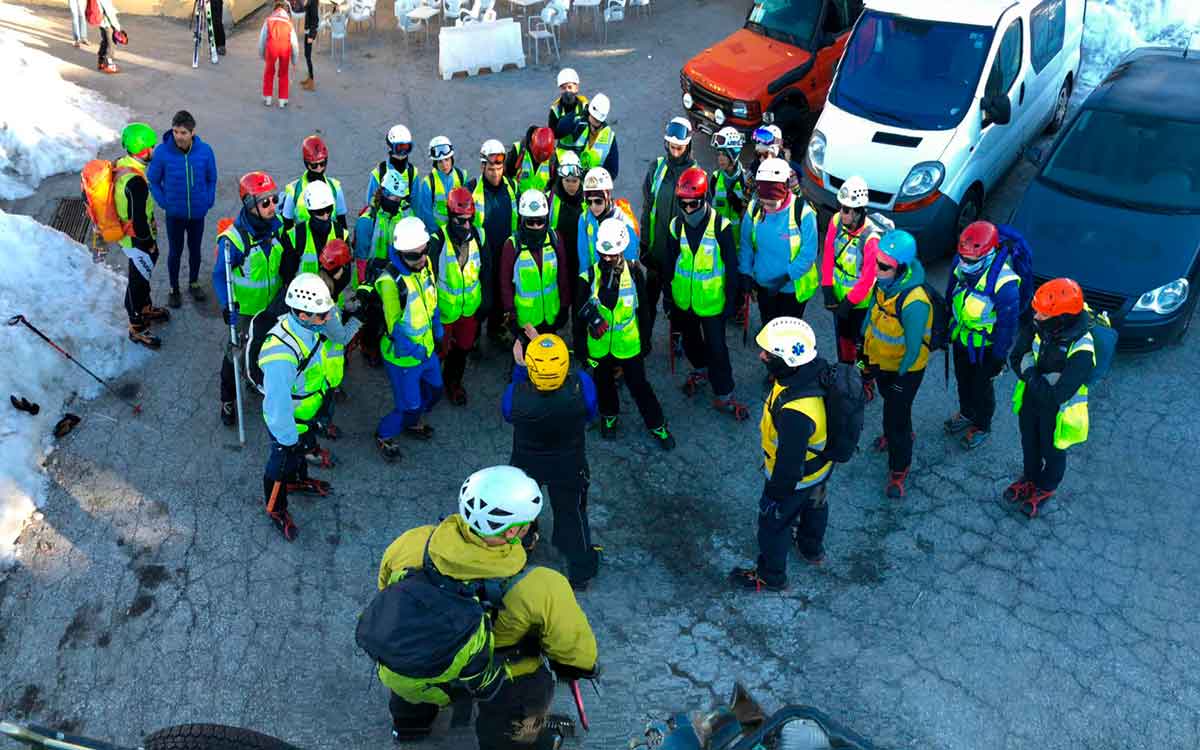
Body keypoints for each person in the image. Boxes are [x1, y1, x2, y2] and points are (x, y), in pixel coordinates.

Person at [374, 465, 596, 747]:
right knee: (529, 694)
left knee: (411, 680)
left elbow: (385, 588)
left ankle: (409, 726)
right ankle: (516, 743)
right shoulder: (541, 583)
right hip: (497, 672)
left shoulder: (413, 541)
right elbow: (572, 647)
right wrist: (583, 668)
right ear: (514, 530)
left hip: (419, 657)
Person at [729, 317, 832, 591]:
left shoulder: (796, 413)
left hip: (796, 478)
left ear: (786, 359)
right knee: (815, 506)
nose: (761, 355)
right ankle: (811, 549)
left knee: (773, 525)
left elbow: (789, 465)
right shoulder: (812, 371)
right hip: (819, 469)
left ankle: (771, 576)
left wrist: (774, 497)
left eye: (768, 353)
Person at [258, 273, 359, 540]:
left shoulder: (308, 327)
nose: (328, 319)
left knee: (301, 451)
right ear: (303, 315)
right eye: (323, 315)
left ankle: (297, 480)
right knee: (281, 463)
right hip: (289, 424)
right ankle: (276, 508)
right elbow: (277, 405)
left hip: (306, 415)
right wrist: (287, 437)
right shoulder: (281, 355)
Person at [502, 334, 601, 590]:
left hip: (527, 463)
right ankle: (580, 571)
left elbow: (509, 413)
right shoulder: (583, 386)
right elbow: (590, 413)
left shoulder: (516, 395)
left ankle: (518, 553)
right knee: (572, 514)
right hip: (569, 464)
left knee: (520, 510)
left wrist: (521, 369)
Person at [580, 218, 675, 450]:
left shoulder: (634, 273)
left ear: (622, 249)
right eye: (603, 253)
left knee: (639, 386)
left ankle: (657, 425)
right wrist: (582, 349)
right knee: (604, 384)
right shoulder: (589, 277)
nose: (607, 258)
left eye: (612, 254)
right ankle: (609, 416)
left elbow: (644, 310)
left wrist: (645, 340)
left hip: (629, 345)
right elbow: (579, 316)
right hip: (600, 347)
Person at [1007, 278, 1095, 518]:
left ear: (1062, 318)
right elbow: (1016, 358)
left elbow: (1057, 395)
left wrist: (1030, 373)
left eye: (1043, 314)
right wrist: (1038, 379)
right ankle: (1030, 478)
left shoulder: (1082, 350)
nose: (1036, 316)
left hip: (1058, 412)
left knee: (1052, 451)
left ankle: (1046, 487)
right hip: (1031, 401)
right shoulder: (1041, 324)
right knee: (1029, 443)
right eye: (1037, 310)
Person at [663, 167, 745, 418]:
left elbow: (732, 267)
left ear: (704, 199)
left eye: (693, 204)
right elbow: (669, 263)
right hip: (683, 301)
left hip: (712, 303)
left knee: (718, 349)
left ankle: (724, 393)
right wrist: (668, 296)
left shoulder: (721, 226)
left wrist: (733, 301)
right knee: (690, 342)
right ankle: (700, 368)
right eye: (683, 204)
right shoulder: (676, 226)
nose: (688, 209)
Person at [861, 230, 931, 500]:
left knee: (896, 415)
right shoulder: (884, 284)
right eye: (876, 261)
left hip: (905, 371)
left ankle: (899, 468)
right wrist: (862, 346)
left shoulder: (915, 303)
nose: (876, 269)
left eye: (883, 265)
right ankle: (894, 434)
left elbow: (913, 349)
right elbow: (871, 312)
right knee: (891, 405)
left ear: (901, 269)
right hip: (882, 362)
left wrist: (902, 378)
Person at [214, 171, 288, 426]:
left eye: (274, 199)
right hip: (245, 310)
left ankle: (255, 378)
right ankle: (228, 399)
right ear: (249, 204)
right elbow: (218, 276)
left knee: (266, 348)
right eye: (265, 202)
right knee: (234, 353)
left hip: (271, 307)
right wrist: (226, 306)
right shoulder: (234, 240)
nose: (272, 206)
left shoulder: (277, 227)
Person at [945, 221, 1021, 450]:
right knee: (963, 380)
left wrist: (998, 358)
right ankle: (967, 412)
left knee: (982, 388)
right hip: (962, 339)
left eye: (970, 261)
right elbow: (951, 298)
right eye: (963, 258)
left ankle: (982, 424)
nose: (964, 264)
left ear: (988, 254)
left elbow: (1008, 326)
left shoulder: (1005, 284)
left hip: (985, 349)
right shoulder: (961, 263)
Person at [375, 216, 443, 461]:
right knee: (407, 405)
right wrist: (414, 351)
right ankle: (385, 433)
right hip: (404, 357)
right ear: (400, 252)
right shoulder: (389, 283)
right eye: (415, 256)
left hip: (426, 349)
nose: (422, 258)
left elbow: (431, 299)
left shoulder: (424, 265)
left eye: (424, 252)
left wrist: (437, 326)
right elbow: (395, 327)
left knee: (435, 390)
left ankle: (412, 421)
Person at [737, 158, 820, 332]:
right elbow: (745, 243)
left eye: (772, 203)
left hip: (792, 290)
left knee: (788, 334)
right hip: (765, 286)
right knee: (769, 326)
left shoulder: (804, 213)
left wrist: (785, 278)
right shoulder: (754, 208)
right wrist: (745, 274)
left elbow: (809, 253)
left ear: (785, 189)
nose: (768, 208)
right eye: (764, 203)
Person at [819, 175, 884, 397]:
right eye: (842, 208)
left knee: (863, 346)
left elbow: (867, 278)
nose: (842, 213)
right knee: (843, 340)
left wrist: (849, 302)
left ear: (859, 212)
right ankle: (846, 373)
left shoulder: (871, 238)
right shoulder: (836, 221)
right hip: (838, 298)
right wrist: (827, 288)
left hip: (859, 304)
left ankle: (865, 379)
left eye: (847, 210)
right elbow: (828, 254)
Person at [146, 110, 218, 309]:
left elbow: (211, 178)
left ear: (192, 132)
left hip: (197, 213)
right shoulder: (162, 152)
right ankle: (174, 289)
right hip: (174, 215)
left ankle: (194, 283)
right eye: (176, 131)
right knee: (175, 252)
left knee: (195, 250)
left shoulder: (205, 151)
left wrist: (208, 200)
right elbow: (153, 179)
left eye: (183, 132)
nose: (179, 136)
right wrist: (164, 202)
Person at [114, 123, 169, 349]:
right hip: (137, 240)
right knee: (137, 281)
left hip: (129, 236)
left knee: (141, 277)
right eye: (152, 146)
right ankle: (136, 326)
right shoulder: (136, 182)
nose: (154, 149)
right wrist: (149, 245)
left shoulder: (122, 165)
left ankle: (145, 307)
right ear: (143, 150)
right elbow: (138, 221)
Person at [432, 187, 487, 406]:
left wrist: (486, 303)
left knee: (462, 350)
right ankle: (433, 386)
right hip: (444, 313)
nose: (466, 225)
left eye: (469, 220)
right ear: (450, 217)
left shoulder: (479, 236)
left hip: (469, 310)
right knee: (439, 352)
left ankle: (453, 383)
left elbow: (487, 269)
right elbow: (429, 280)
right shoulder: (437, 241)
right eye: (461, 221)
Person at [355, 169, 416, 367]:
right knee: (372, 315)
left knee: (391, 312)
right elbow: (362, 257)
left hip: (395, 271)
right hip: (373, 274)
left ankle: (386, 341)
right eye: (393, 196)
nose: (396, 201)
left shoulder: (406, 213)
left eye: (399, 198)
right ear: (383, 193)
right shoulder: (367, 220)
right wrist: (364, 285)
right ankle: (368, 346)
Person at [500, 190, 571, 348]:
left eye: (540, 222)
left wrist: (565, 305)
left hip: (550, 316)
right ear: (522, 220)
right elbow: (505, 283)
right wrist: (510, 313)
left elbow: (563, 275)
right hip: (526, 321)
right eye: (530, 222)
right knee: (526, 362)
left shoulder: (555, 239)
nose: (536, 226)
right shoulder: (512, 246)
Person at [470, 140, 519, 348]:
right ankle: (471, 337)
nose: (496, 173)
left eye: (499, 167)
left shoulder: (512, 186)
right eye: (491, 168)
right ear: (482, 167)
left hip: (506, 255)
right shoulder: (471, 189)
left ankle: (494, 330)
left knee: (500, 296)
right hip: (481, 257)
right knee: (481, 300)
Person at [577, 167, 638, 289]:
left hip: (617, 283)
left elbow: (629, 262)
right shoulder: (584, 219)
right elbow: (583, 256)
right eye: (589, 202)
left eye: (598, 201)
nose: (593, 207)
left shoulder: (624, 221)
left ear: (608, 196)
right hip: (594, 281)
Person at [281, 135, 348, 234]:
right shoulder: (294, 191)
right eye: (314, 165)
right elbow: (287, 226)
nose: (319, 169)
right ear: (306, 163)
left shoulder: (335, 187)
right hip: (304, 246)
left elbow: (341, 221)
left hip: (330, 245)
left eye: (322, 163)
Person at [282, 180, 348, 277]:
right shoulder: (295, 237)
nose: (326, 216)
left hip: (333, 292)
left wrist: (333, 282)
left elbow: (347, 273)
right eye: (320, 212)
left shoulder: (341, 233)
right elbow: (287, 275)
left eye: (329, 209)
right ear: (310, 212)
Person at [555, 93, 618, 180]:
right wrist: (573, 114)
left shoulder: (609, 136)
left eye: (597, 121)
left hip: (591, 184)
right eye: (593, 119)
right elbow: (559, 131)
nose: (593, 127)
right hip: (565, 176)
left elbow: (612, 171)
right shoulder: (576, 122)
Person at [416, 136, 468, 234]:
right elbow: (427, 214)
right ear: (435, 163)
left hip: (459, 229)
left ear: (452, 158)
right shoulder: (428, 184)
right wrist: (439, 234)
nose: (444, 165)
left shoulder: (462, 176)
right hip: (438, 233)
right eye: (440, 161)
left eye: (446, 159)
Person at [365, 124, 419, 211]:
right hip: (383, 222)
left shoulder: (412, 173)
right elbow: (370, 204)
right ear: (391, 146)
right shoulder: (379, 172)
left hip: (405, 223)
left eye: (406, 147)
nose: (403, 151)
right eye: (400, 147)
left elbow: (416, 205)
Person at [708, 127, 748, 241]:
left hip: (739, 244)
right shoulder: (715, 178)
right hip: (718, 242)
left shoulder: (746, 181)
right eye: (719, 154)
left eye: (724, 154)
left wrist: (739, 207)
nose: (720, 158)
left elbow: (751, 218)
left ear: (734, 153)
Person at [259, 0, 299, 108]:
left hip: (271, 47)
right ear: (286, 10)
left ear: (275, 9)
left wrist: (262, 54)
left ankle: (267, 98)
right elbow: (294, 44)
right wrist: (295, 60)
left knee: (269, 71)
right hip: (285, 48)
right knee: (284, 73)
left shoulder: (268, 20)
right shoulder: (289, 23)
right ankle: (282, 99)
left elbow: (262, 39)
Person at [548, 67, 588, 156]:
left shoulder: (585, 106)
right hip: (563, 155)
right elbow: (552, 135)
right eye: (563, 88)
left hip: (583, 153)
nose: (567, 91)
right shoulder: (555, 109)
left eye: (570, 87)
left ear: (576, 88)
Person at [507, 126, 557, 195]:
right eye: (539, 156)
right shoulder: (518, 151)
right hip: (518, 199)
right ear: (531, 145)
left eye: (544, 158)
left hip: (541, 202)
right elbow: (506, 176)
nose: (539, 161)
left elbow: (555, 185)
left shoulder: (553, 159)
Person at [92, 0, 123, 73]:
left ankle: (101, 62)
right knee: (111, 43)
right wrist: (117, 27)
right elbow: (110, 13)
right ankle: (109, 65)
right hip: (108, 24)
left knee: (105, 42)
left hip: (102, 24)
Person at [300, 0, 319, 90]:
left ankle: (311, 82)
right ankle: (309, 78)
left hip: (310, 33)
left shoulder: (313, 2)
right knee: (306, 55)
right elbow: (304, 8)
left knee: (308, 56)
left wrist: (311, 36)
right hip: (307, 31)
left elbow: (315, 20)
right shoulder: (310, 1)